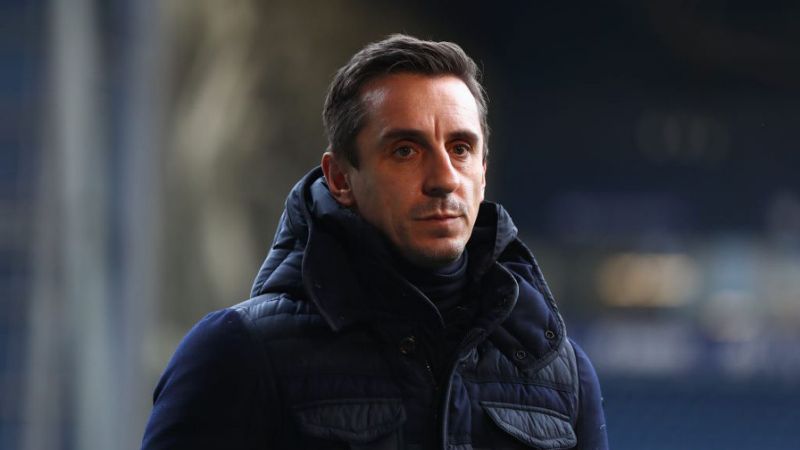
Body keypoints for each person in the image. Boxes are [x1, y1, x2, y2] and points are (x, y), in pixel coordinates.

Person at [142, 34, 608, 450]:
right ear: (340, 179)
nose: (444, 179)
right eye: (405, 150)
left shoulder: (560, 374)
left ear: (483, 173)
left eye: (461, 149)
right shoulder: (238, 353)